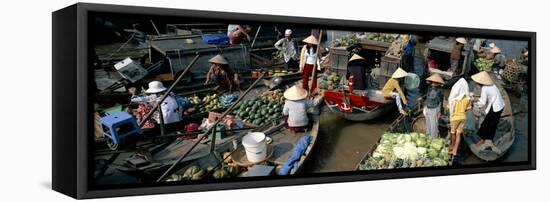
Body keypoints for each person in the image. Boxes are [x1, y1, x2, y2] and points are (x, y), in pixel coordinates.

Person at [471, 71, 505, 154]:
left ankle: (484, 140)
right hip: (499, 105)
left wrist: (473, 103)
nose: (476, 83)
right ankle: (488, 139)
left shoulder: (484, 88)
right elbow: (486, 98)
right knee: (492, 123)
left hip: (496, 107)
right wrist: (476, 100)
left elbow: (482, 102)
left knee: (488, 124)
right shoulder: (492, 85)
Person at [447, 78, 471, 156]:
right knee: (458, 134)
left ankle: (452, 146)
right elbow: (468, 109)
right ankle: (455, 150)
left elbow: (449, 108)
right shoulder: (467, 99)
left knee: (453, 133)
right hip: (463, 118)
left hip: (454, 118)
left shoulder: (453, 100)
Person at [422, 73, 444, 138]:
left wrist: (439, 112)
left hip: (434, 109)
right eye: (432, 82)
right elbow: (427, 96)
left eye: (435, 82)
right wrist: (422, 98)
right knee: (428, 124)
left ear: (437, 83)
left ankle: (434, 138)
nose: (433, 84)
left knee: (434, 125)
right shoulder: (430, 88)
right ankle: (428, 137)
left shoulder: (439, 91)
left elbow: (440, 101)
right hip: (428, 108)